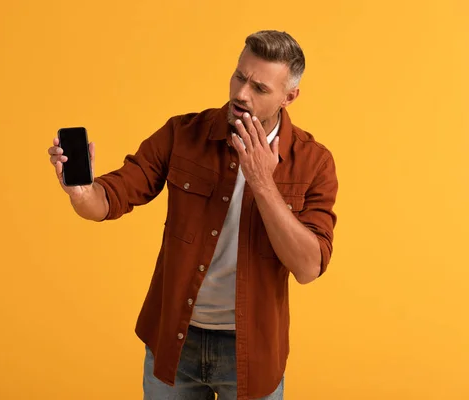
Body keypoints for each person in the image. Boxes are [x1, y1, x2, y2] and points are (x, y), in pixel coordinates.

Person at [47, 30, 338, 400]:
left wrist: (263, 182)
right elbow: (109, 199)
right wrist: (82, 191)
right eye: (239, 76)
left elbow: (309, 268)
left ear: (289, 96)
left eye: (260, 88)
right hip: (174, 341)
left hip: (252, 351)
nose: (241, 94)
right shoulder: (182, 134)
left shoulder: (314, 162)